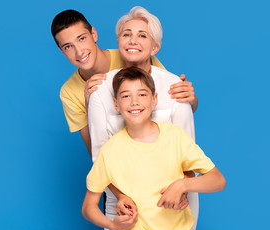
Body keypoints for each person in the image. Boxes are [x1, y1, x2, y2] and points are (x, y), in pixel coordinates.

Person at [87, 6, 199, 230]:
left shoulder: (174, 87)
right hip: (123, 203)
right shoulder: (100, 89)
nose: (133, 40)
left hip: (171, 201)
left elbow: (189, 152)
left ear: (155, 47)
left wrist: (182, 190)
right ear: (118, 40)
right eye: (126, 34)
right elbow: (99, 156)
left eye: (142, 35)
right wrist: (122, 197)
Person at [82, 66, 226, 230]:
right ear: (116, 104)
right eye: (126, 96)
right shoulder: (110, 151)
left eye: (142, 94)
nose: (134, 101)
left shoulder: (175, 137)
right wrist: (112, 224)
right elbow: (88, 206)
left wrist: (182, 185)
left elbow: (218, 180)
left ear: (154, 100)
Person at [51, 9, 198, 156]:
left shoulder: (133, 53)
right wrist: (91, 104)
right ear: (61, 50)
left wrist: (191, 99)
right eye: (68, 46)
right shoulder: (70, 92)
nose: (79, 51)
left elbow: (170, 98)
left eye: (82, 38)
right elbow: (95, 150)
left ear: (94, 34)